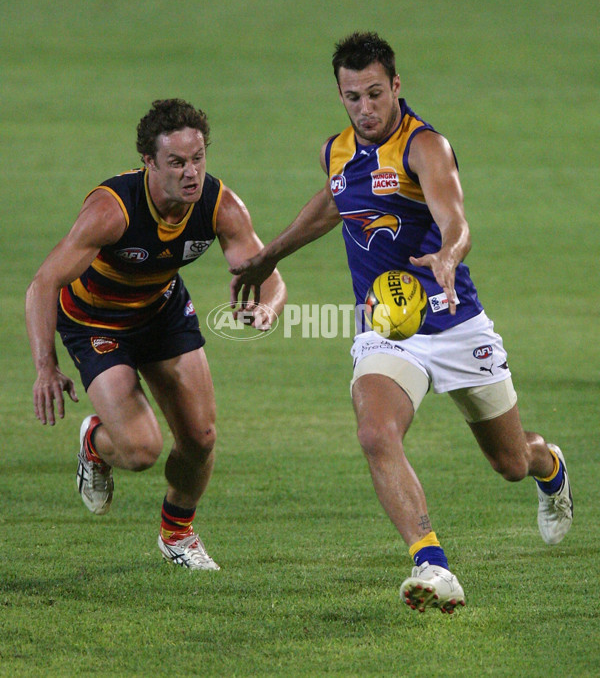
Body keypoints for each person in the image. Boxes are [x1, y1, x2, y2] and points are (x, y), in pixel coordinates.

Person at [230, 32, 573, 611]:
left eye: (373, 94)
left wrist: (449, 252)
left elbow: (454, 217)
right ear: (339, 95)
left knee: (511, 463)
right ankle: (431, 563)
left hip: (456, 324)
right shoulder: (336, 150)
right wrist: (270, 256)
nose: (364, 109)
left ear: (395, 86)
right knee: (375, 432)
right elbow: (337, 199)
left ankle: (551, 466)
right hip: (388, 330)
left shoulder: (425, 147)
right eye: (351, 97)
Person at [26, 98, 286, 571]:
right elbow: (43, 283)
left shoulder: (218, 204)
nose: (192, 173)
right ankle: (94, 442)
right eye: (177, 162)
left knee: (202, 436)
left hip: (162, 313)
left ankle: (177, 535)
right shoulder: (113, 210)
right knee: (142, 450)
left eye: (199, 158)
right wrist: (46, 366)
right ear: (149, 162)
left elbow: (267, 272)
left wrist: (267, 307)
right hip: (96, 323)